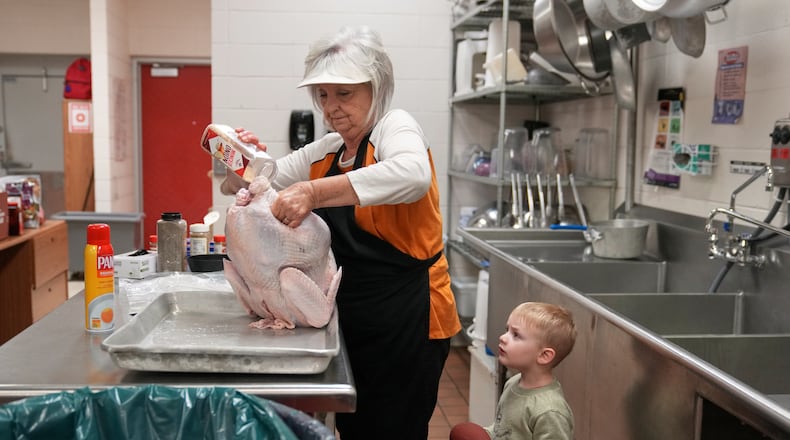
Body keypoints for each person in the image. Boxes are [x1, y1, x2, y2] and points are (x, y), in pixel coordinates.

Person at [221, 25, 461, 439]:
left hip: (409, 315)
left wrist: (314, 192)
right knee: (356, 425)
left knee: (393, 429)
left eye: (344, 93)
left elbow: (413, 174)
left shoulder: (394, 127)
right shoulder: (328, 149)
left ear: (377, 87)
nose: (330, 107)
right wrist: (240, 160)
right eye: (323, 95)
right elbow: (264, 178)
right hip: (353, 315)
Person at [450, 302, 576, 440]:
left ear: (544, 355)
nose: (503, 338)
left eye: (516, 335)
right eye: (507, 330)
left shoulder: (550, 411)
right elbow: (502, 429)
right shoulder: (513, 382)